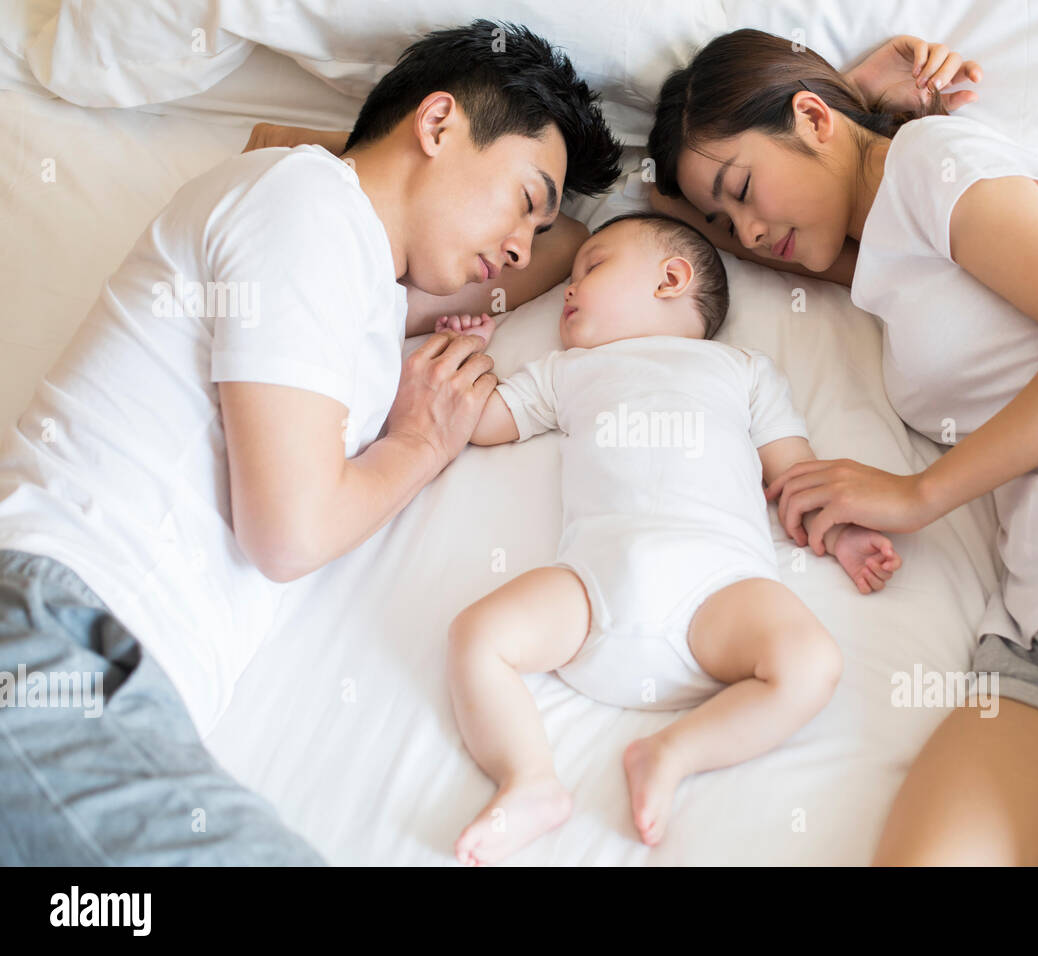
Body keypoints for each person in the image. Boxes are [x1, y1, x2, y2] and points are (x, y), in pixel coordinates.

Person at [645, 29, 1038, 865]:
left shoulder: (932, 159)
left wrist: (917, 494)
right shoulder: (881, 254)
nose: (744, 224)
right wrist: (837, 103)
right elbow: (688, 212)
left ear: (811, 119)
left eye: (741, 189)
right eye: (724, 214)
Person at [0, 19, 621, 865]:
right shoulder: (302, 201)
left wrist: (637, 207)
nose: (521, 243)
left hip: (119, 682)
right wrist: (418, 445)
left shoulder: (359, 291)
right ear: (437, 124)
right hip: (56, 635)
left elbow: (576, 251)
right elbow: (286, 533)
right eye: (525, 199)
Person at [444, 212, 901, 864]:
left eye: (590, 267)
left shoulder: (742, 370)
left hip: (717, 589)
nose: (568, 291)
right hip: (593, 584)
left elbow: (797, 472)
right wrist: (474, 350)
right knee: (475, 636)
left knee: (813, 663)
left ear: (672, 278)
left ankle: (675, 751)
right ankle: (529, 780)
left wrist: (844, 532)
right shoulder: (568, 370)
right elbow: (485, 421)